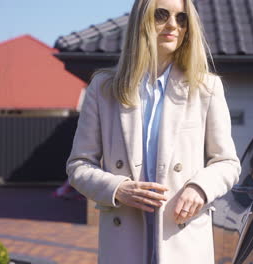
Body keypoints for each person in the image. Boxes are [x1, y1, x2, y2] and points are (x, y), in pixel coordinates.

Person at [66, 0, 241, 263]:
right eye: (162, 15)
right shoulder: (104, 89)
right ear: (141, 20)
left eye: (182, 19)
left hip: (183, 239)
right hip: (123, 240)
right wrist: (118, 188)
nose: (173, 25)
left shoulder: (206, 88)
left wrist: (200, 188)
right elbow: (78, 166)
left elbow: (227, 163)